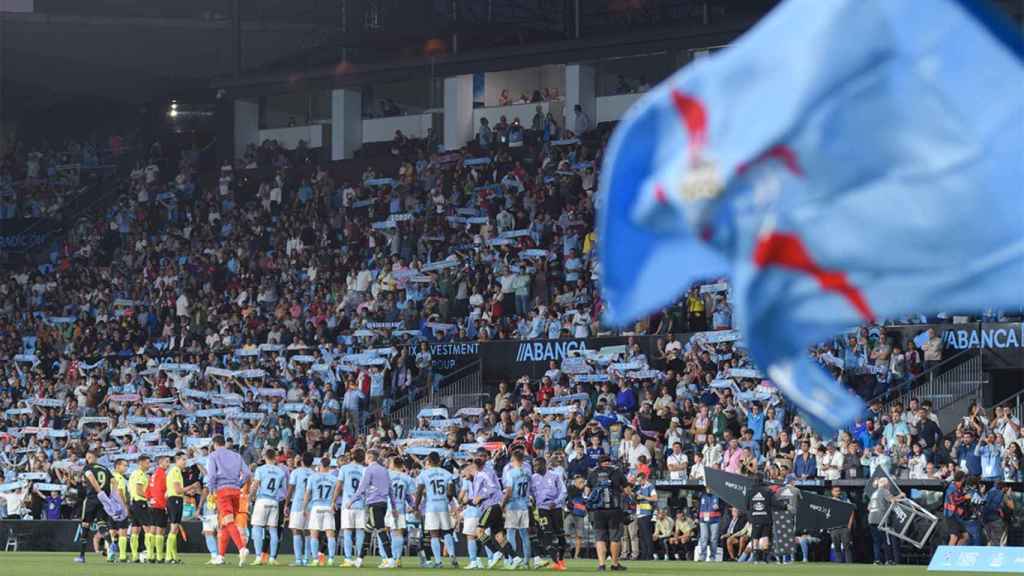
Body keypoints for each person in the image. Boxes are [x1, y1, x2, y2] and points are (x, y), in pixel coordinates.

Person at [206, 434, 253, 565]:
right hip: (236, 491)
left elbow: (211, 475)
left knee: (228, 520)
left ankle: (241, 548)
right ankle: (220, 556)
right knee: (225, 523)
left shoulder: (213, 456)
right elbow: (248, 473)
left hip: (222, 490)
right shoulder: (237, 456)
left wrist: (211, 489)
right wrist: (239, 483)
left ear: (215, 444)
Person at [350, 449, 395, 568]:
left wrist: (351, 501)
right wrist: (394, 507)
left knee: (380, 530)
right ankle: (359, 559)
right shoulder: (385, 470)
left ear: (369, 457)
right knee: (368, 530)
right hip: (383, 503)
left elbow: (362, 488)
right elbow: (391, 489)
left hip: (373, 503)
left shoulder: (369, 470)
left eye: (366, 457)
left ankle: (390, 559)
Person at [585, 455, 631, 570]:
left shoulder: (593, 473)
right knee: (615, 538)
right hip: (614, 510)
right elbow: (627, 490)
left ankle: (601, 564)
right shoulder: (617, 471)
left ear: (599, 463)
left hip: (598, 511)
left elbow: (587, 491)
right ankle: (615, 564)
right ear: (609, 462)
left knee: (600, 538)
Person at [415, 451, 457, 568]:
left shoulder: (424, 474)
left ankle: (438, 561)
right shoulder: (447, 473)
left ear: (429, 461)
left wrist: (416, 507)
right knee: (447, 532)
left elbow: (419, 492)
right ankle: (452, 555)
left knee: (434, 534)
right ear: (439, 461)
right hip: (443, 505)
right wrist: (445, 501)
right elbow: (451, 492)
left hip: (431, 506)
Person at [250, 448, 288, 565]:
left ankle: (258, 557)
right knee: (273, 529)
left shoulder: (260, 469)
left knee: (257, 527)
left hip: (262, 499)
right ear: (275, 457)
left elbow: (255, 484)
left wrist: (250, 496)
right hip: (274, 501)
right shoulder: (281, 471)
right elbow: (284, 490)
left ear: (265, 457)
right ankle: (272, 558)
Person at [75, 450, 112, 564]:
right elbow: (113, 482)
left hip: (92, 498)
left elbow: (91, 477)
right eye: (87, 458)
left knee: (85, 525)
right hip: (104, 499)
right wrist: (110, 497)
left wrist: (99, 491)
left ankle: (81, 556)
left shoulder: (88, 468)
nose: (88, 460)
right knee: (102, 524)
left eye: (89, 457)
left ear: (94, 457)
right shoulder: (105, 469)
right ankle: (111, 546)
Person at [530, 456, 567, 570]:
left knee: (560, 534)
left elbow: (563, 491)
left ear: (544, 465)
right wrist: (532, 502)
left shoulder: (555, 476)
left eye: (537, 465)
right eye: (534, 465)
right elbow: (530, 493)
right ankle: (555, 560)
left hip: (556, 508)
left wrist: (556, 502)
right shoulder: (532, 478)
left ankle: (560, 560)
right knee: (547, 532)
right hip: (542, 509)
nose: (535, 468)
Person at [336, 449, 368, 566]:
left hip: (347, 504)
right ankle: (359, 559)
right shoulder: (365, 470)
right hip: (361, 504)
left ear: (353, 456)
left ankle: (348, 559)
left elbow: (339, 486)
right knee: (360, 531)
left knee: (347, 531)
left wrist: (334, 500)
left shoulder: (344, 468)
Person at [305, 457, 339, 565]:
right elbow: (337, 492)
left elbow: (308, 493)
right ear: (329, 466)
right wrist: (333, 502)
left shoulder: (312, 477)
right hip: (328, 507)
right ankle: (331, 559)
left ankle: (315, 559)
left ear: (320, 465)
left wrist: (304, 507)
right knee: (330, 534)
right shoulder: (334, 478)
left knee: (314, 534)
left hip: (316, 506)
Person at [384, 456, 416, 568]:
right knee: (397, 533)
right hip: (399, 508)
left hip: (386, 507)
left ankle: (387, 559)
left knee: (383, 532)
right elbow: (411, 496)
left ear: (392, 464)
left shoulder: (386, 474)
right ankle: (397, 559)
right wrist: (413, 506)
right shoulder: (408, 478)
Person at [502, 451, 532, 569]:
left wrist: (503, 504)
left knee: (511, 533)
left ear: (514, 460)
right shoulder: (527, 472)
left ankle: (512, 560)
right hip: (524, 505)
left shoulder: (511, 473)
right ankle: (526, 562)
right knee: (524, 534)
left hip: (513, 505)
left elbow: (509, 491)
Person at [285, 453, 315, 566]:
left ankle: (298, 559)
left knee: (296, 530)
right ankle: (307, 559)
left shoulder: (296, 472)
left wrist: (286, 504)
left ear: (302, 461)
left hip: (298, 504)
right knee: (307, 532)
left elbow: (290, 489)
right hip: (310, 506)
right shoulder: (314, 473)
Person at [867, 476, 902, 565]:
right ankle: (888, 560)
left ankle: (877, 560)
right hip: (881, 518)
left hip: (871, 518)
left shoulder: (874, 493)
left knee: (876, 541)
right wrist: (901, 496)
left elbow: (868, 507)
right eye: (889, 484)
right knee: (886, 540)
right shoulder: (884, 491)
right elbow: (892, 500)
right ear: (886, 484)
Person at [146, 455, 169, 563]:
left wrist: (151, 500)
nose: (168, 464)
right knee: (160, 531)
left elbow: (147, 492)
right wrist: (164, 505)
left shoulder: (153, 475)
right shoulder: (162, 475)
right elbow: (162, 490)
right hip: (160, 505)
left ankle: (150, 555)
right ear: (161, 463)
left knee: (152, 530)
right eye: (167, 462)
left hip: (152, 505)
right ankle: (159, 556)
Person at [128, 455, 151, 563]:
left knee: (135, 529)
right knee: (148, 529)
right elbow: (139, 490)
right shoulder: (141, 475)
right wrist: (150, 498)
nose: (149, 465)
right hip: (140, 503)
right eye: (147, 462)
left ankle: (134, 556)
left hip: (133, 503)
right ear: (141, 463)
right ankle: (149, 554)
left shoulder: (133, 473)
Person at [164, 452, 187, 564]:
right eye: (183, 459)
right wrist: (192, 487)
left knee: (175, 528)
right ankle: (169, 556)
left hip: (176, 499)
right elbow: (178, 490)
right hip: (174, 499)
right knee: (174, 528)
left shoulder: (175, 471)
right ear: (177, 460)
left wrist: (186, 490)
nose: (185, 462)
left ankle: (173, 555)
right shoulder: (175, 471)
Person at [747, 475, 773, 563]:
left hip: (755, 518)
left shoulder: (750, 491)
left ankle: (756, 558)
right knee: (765, 536)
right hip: (766, 518)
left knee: (755, 537)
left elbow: (746, 505)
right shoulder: (768, 490)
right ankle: (765, 558)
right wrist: (784, 506)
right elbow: (774, 503)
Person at [111, 459, 131, 563]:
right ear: (118, 466)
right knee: (123, 531)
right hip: (119, 507)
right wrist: (125, 506)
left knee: (113, 531)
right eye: (125, 465)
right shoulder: (120, 478)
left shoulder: (110, 476)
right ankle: (123, 556)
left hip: (110, 507)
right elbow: (120, 492)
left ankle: (111, 556)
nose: (126, 468)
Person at [634, 472, 656, 560]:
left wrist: (643, 497)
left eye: (640, 481)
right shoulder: (639, 488)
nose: (639, 482)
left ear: (644, 479)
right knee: (641, 536)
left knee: (647, 536)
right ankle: (644, 555)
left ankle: (650, 555)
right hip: (639, 514)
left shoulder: (650, 486)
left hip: (646, 514)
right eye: (638, 481)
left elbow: (654, 498)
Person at [695, 491, 722, 562]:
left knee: (713, 538)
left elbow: (723, 507)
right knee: (704, 537)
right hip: (703, 519)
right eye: (707, 487)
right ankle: (702, 556)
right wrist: (697, 517)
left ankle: (712, 557)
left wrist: (719, 508)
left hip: (715, 520)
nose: (708, 489)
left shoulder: (718, 495)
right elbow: (698, 505)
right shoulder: (701, 495)